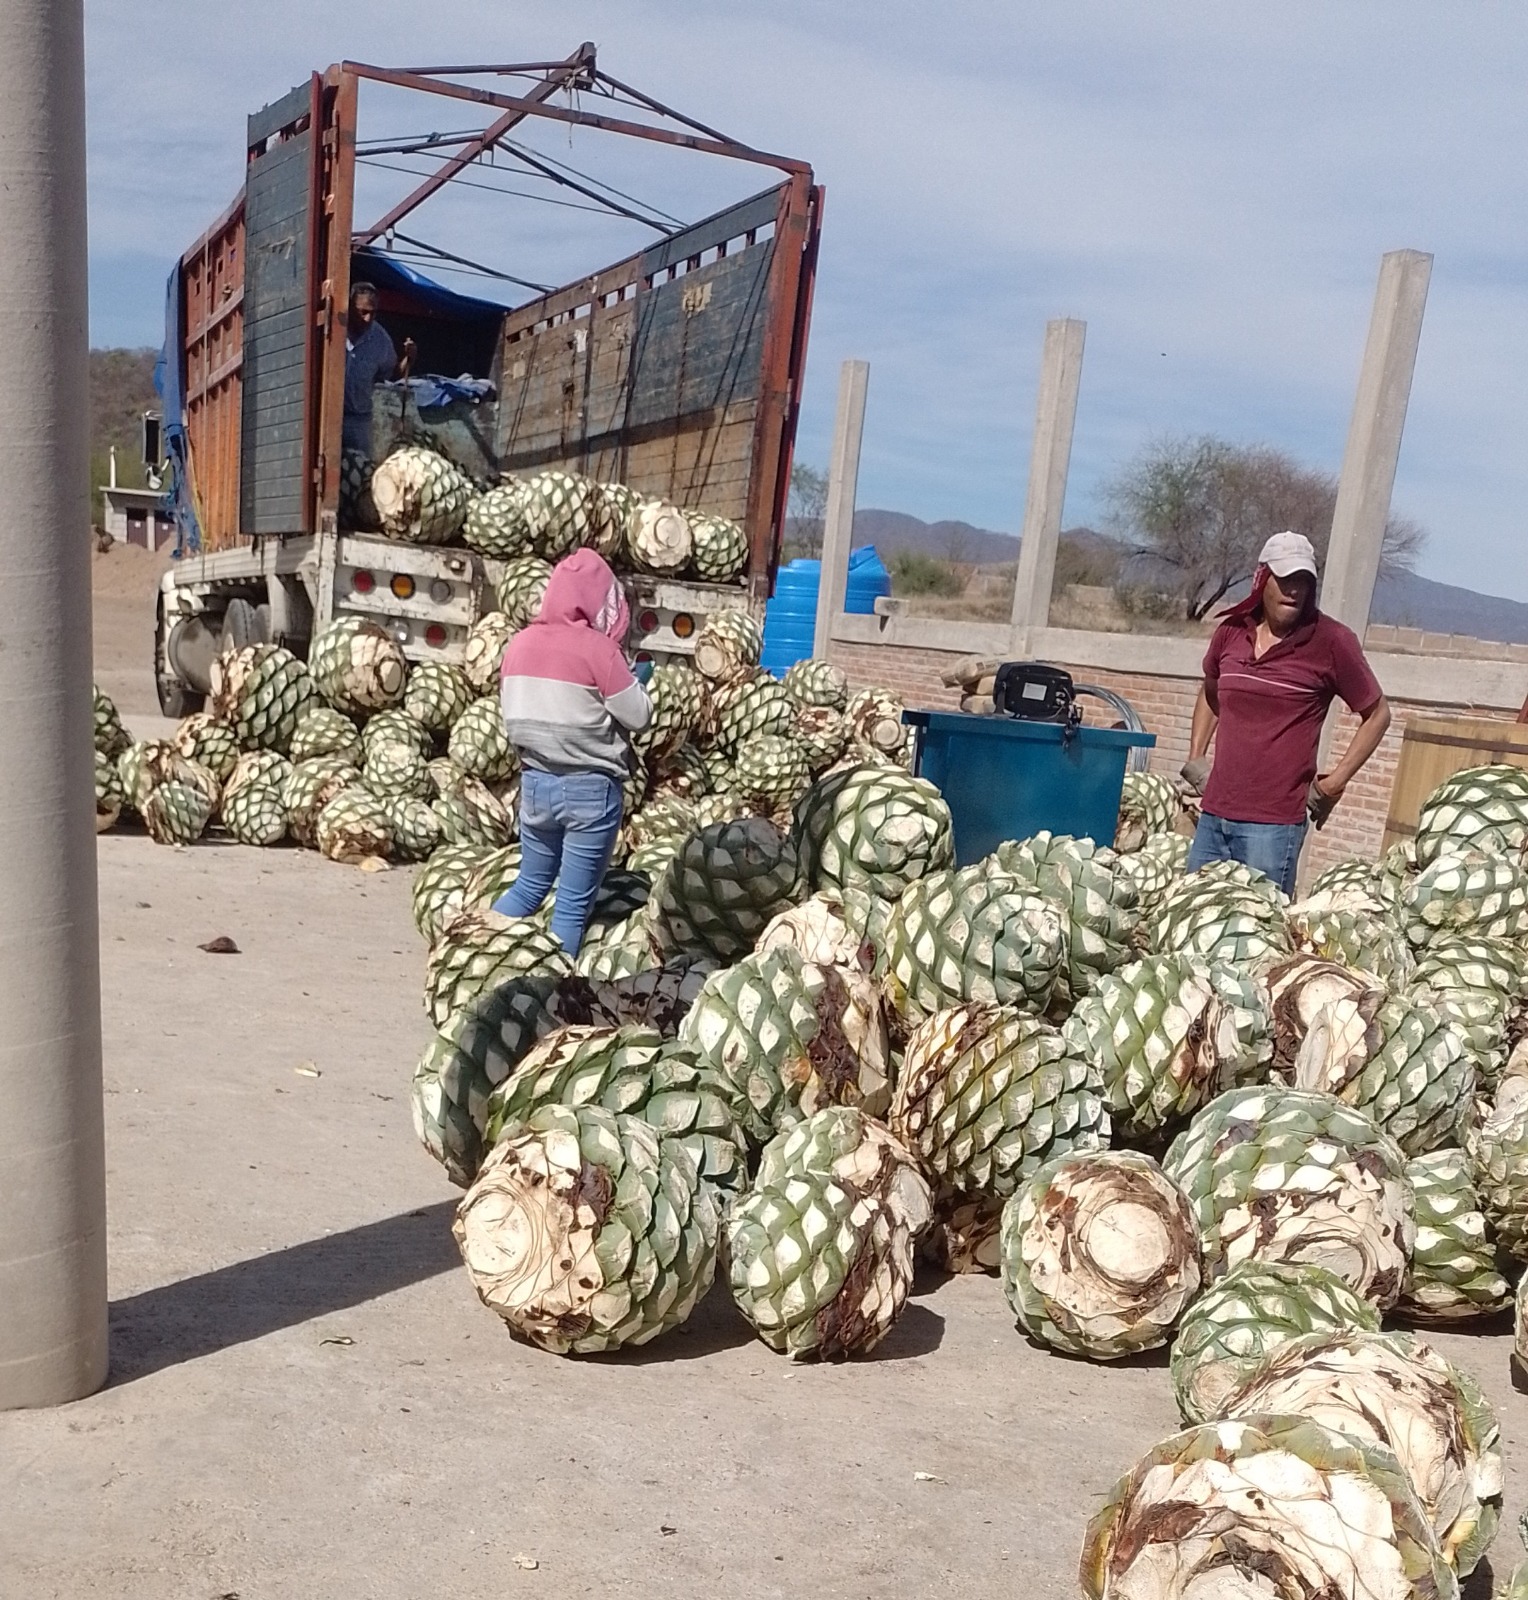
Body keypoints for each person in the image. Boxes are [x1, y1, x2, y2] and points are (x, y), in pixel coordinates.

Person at [1180, 530, 1391, 895]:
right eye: (1286, 579)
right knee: (1195, 919)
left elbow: (1377, 715)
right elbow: (1211, 689)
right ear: (1262, 578)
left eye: (1304, 581)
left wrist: (1335, 781)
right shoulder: (1230, 632)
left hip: (1274, 828)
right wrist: (1196, 756)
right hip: (1214, 817)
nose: (1295, 590)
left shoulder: (1331, 641)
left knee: (1261, 938)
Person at [491, 549, 652, 953]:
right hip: (590, 793)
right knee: (570, 910)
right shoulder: (600, 651)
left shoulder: (519, 645)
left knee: (528, 887)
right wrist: (640, 682)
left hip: (534, 784)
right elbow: (638, 716)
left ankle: (479, 946)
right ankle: (554, 996)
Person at [342, 282, 415, 455]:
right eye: (363, 312)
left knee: (361, 472)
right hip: (329, 416)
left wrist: (409, 358)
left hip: (359, 421)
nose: (368, 318)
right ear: (351, 307)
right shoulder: (335, 328)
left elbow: (393, 374)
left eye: (373, 313)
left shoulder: (380, 340)